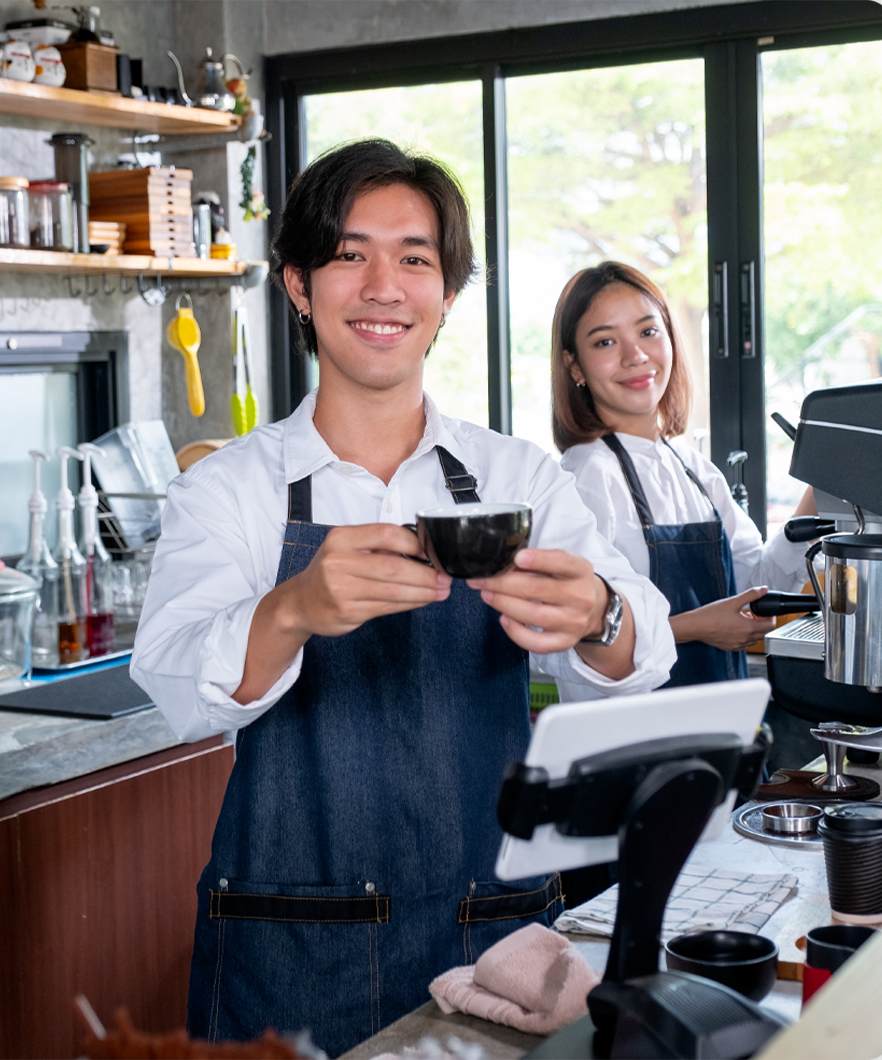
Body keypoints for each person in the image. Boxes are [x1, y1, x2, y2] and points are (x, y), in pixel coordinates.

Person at [131, 143, 675, 1056]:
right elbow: (178, 687)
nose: (384, 286)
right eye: (349, 255)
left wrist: (597, 616)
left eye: (415, 258)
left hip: (493, 933)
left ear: (447, 296)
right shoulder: (232, 488)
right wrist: (294, 607)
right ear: (298, 285)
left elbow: (640, 656)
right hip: (286, 947)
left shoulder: (518, 477)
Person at [550, 260, 817, 695]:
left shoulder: (695, 471)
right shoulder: (584, 476)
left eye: (648, 331)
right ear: (575, 366)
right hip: (634, 745)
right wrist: (697, 628)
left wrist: (823, 479)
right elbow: (577, 636)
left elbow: (755, 584)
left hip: (720, 732)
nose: (635, 355)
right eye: (605, 341)